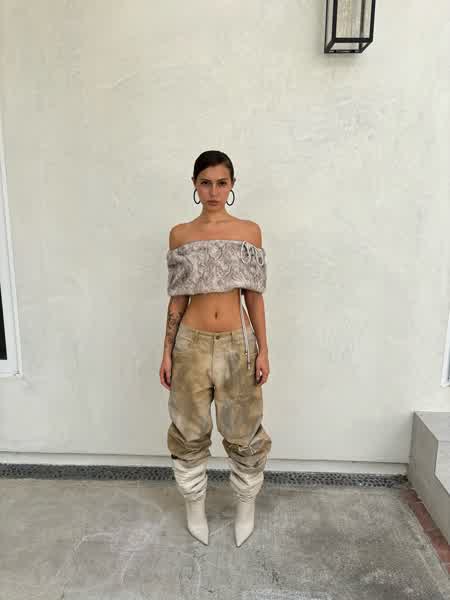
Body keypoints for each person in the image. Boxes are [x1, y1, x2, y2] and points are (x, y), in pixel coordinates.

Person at [159, 150, 272, 547]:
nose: (213, 191)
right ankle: (195, 510)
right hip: (190, 344)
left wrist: (263, 349)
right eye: (205, 183)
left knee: (244, 430)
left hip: (238, 345)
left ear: (232, 186)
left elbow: (254, 296)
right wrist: (166, 351)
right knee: (188, 429)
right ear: (194, 185)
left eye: (221, 183)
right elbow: (177, 299)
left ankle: (245, 509)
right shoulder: (181, 235)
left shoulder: (249, 232)